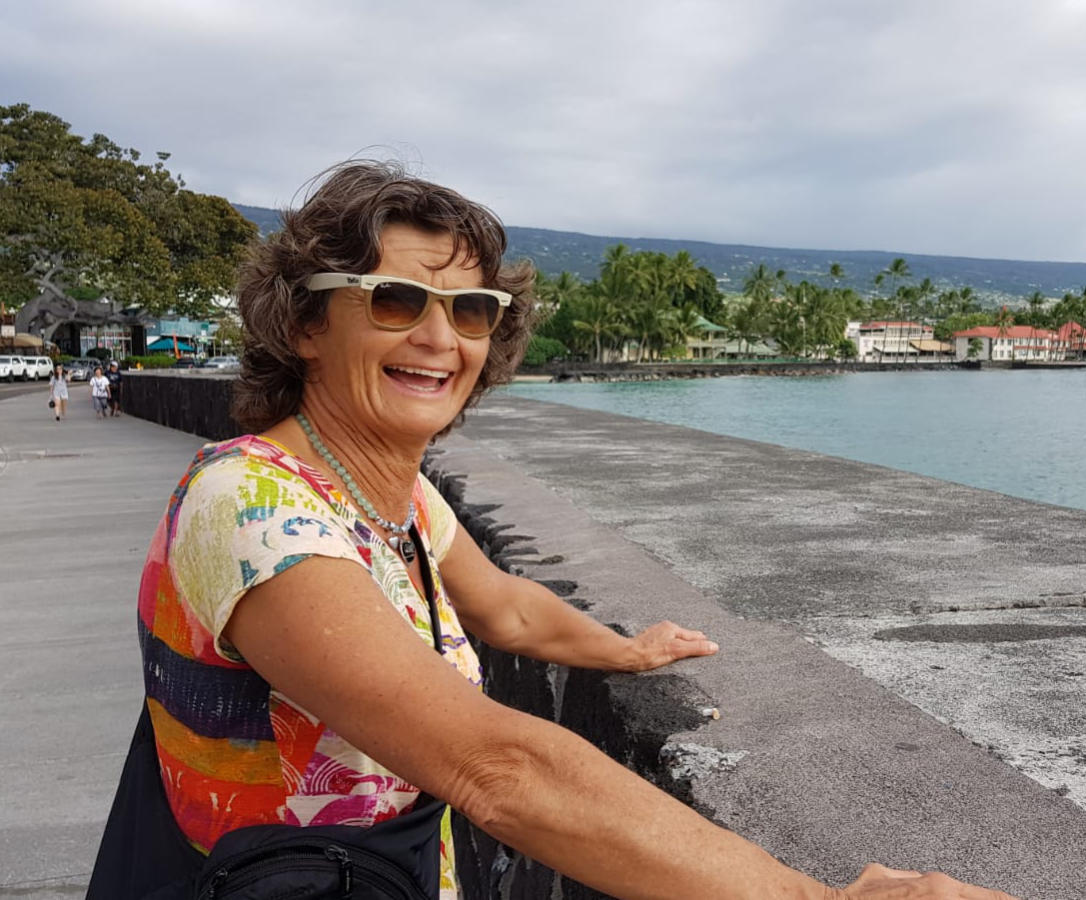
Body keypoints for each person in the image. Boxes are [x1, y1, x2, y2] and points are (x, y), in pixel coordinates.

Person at [112, 162, 1017, 900]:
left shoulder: (392, 494)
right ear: (306, 323)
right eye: (394, 300)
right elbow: (497, 768)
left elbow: (505, 608)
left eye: (471, 310)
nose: (441, 338)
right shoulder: (251, 505)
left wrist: (626, 653)